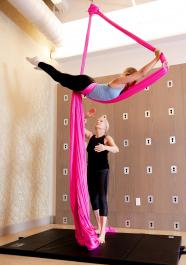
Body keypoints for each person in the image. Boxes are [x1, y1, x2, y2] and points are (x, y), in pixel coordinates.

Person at [26, 49, 161, 101]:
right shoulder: (120, 81)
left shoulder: (123, 90)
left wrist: (157, 58)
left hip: (87, 85)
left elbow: (141, 76)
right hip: (85, 84)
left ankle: (43, 67)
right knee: (58, 77)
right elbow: (142, 73)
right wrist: (157, 58)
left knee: (61, 79)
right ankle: (38, 62)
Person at [85, 109, 119, 243]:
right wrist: (85, 116)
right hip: (90, 170)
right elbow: (79, 126)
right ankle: (99, 227)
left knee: (102, 197)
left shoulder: (107, 138)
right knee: (93, 198)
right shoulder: (91, 136)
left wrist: (106, 148)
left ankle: (103, 232)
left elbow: (116, 149)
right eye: (98, 120)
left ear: (105, 127)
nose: (98, 122)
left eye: (101, 121)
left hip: (102, 170)